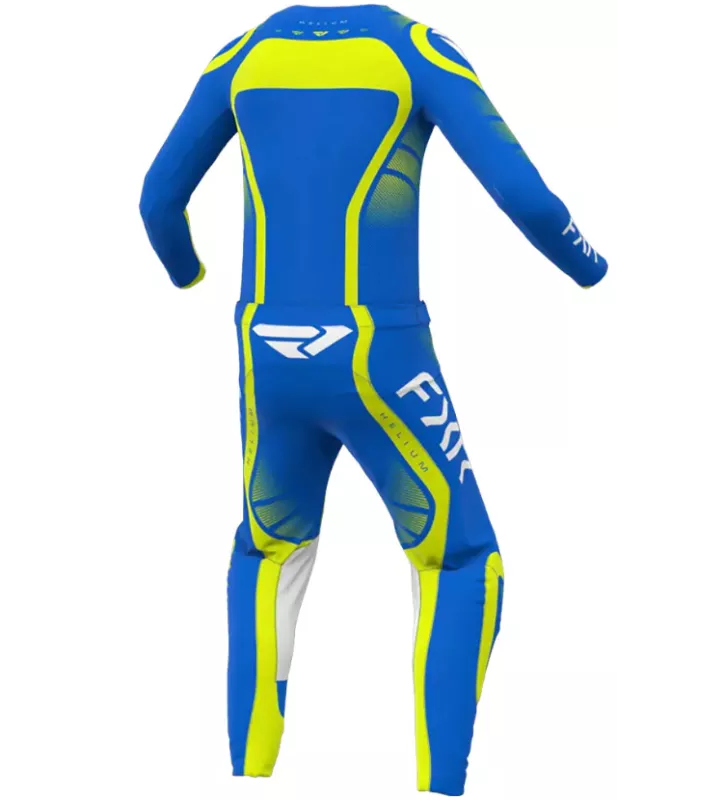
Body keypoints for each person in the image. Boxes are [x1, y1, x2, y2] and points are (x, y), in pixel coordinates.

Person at [140, 5, 607, 795]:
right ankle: (439, 783)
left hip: (265, 351)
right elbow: (527, 198)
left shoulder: (243, 54)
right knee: (462, 559)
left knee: (266, 552)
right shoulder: (415, 50)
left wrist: (186, 272)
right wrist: (590, 268)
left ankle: (248, 773)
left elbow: (158, 199)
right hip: (376, 353)